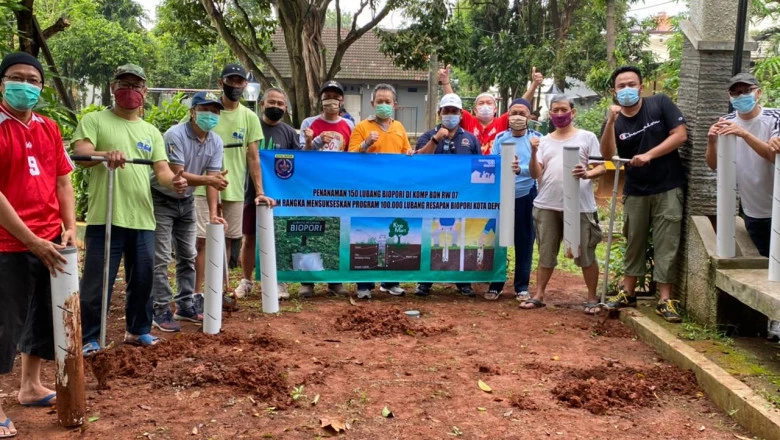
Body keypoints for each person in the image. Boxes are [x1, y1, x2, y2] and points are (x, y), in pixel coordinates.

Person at [73, 64, 187, 354]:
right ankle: (90, 337)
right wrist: (103, 155)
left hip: (142, 218)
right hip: (105, 216)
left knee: (143, 279)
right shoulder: (95, 121)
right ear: (113, 87)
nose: (130, 90)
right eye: (125, 83)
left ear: (145, 92)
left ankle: (138, 330)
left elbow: (161, 171)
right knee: (97, 282)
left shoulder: (150, 131)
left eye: (136, 85)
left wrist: (174, 181)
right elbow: (83, 155)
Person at [0, 52, 76, 438]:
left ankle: (30, 386)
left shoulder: (48, 127)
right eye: (17, 77)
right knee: (3, 322)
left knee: (42, 317)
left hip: (49, 239)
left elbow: (63, 180)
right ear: (2, 83)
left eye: (33, 79)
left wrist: (69, 228)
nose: (26, 85)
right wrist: (30, 239)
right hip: (7, 243)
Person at [600, 65, 688, 323]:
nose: (626, 90)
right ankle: (628, 292)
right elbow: (607, 155)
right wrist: (610, 123)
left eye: (631, 84)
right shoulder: (615, 119)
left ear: (641, 86)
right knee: (633, 240)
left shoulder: (659, 104)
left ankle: (665, 299)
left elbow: (680, 135)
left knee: (667, 242)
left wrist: (650, 154)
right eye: (621, 86)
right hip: (636, 190)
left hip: (668, 186)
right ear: (614, 92)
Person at [707, 73, 780, 339]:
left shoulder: (775, 118)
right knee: (767, 268)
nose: (741, 97)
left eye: (746, 91)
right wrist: (712, 141)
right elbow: (714, 164)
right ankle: (772, 321)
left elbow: (774, 155)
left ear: (758, 93)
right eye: (735, 93)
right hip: (753, 210)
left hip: (778, 206)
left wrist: (744, 134)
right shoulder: (726, 122)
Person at [192, 64, 273, 300]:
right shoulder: (206, 111)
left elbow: (253, 156)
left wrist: (259, 191)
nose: (235, 86)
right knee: (201, 241)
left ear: (245, 84)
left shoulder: (249, 118)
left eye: (240, 82)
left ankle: (218, 293)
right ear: (221, 82)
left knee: (226, 241)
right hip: (201, 187)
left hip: (234, 189)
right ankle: (197, 294)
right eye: (231, 81)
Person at [150, 92, 228, 332]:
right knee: (162, 256)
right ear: (192, 112)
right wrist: (209, 180)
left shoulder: (215, 141)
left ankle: (185, 304)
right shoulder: (175, 134)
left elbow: (213, 181)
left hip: (187, 202)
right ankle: (160, 308)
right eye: (205, 109)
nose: (211, 115)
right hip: (162, 199)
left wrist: (214, 212)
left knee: (188, 254)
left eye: (215, 111)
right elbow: (178, 173)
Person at [524, 95, 606, 312]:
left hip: (580, 206)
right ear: (549, 114)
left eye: (563, 109)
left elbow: (601, 167)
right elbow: (535, 172)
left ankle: (591, 297)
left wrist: (587, 173)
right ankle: (539, 294)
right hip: (547, 205)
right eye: (555, 111)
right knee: (545, 251)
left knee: (585, 253)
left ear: (573, 111)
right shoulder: (543, 141)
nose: (559, 115)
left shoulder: (587, 137)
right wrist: (533, 152)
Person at [234, 87, 299, 300]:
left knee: (279, 238)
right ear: (262, 104)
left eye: (280, 104)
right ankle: (247, 280)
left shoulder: (289, 133)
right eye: (271, 102)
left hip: (280, 197)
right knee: (249, 238)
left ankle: (278, 280)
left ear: (285, 108)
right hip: (250, 193)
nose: (276, 107)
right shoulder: (251, 126)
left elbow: (299, 164)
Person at [348, 84, 412, 299]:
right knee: (366, 234)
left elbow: (406, 154)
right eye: (380, 101)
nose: (384, 105)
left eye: (388, 101)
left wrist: (410, 153)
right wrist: (366, 144)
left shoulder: (400, 128)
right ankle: (364, 285)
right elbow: (350, 156)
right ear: (372, 103)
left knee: (394, 234)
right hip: (368, 191)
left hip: (394, 191)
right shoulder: (361, 128)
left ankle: (391, 282)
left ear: (395, 105)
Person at [414, 93, 479, 297]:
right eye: (446, 111)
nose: (450, 114)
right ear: (439, 113)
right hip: (433, 198)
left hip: (462, 199)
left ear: (461, 114)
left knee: (460, 237)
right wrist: (436, 139)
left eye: (454, 111)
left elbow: (481, 167)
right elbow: (419, 161)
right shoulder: (428, 136)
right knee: (431, 238)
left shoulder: (470, 139)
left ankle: (463, 281)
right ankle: (426, 281)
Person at [297, 80, 353, 297]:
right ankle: (307, 281)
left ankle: (334, 280)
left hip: (338, 186)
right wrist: (316, 141)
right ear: (320, 100)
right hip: (311, 185)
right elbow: (302, 155)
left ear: (342, 100)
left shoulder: (349, 125)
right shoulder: (309, 123)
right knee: (309, 231)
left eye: (336, 96)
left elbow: (353, 155)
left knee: (335, 231)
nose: (332, 100)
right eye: (327, 96)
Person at [487, 98, 541, 301]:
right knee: (499, 240)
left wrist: (521, 169)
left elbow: (539, 169)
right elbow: (492, 163)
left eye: (522, 114)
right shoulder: (500, 138)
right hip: (502, 196)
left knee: (525, 240)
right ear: (507, 116)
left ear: (529, 118)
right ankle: (496, 283)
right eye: (513, 113)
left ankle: (521, 286)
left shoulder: (536, 138)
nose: (517, 117)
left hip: (527, 195)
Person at [439, 65, 543, 153]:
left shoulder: (502, 122)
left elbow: (520, 106)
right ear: (475, 110)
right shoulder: (468, 120)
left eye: (489, 103)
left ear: (495, 109)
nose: (485, 105)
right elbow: (452, 103)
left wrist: (534, 85)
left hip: (495, 168)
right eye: (481, 103)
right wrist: (445, 82)